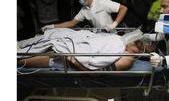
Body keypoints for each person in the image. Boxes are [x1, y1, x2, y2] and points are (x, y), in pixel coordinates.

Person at [17, 28, 155, 71]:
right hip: (76, 43)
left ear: (139, 52)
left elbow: (94, 73)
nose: (133, 40)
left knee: (21, 59)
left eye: (137, 43)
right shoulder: (119, 41)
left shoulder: (127, 59)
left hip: (64, 59)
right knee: (56, 36)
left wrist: (74, 58)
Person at [41, 0, 128, 32]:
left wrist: (113, 25)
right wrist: (52, 26)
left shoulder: (102, 2)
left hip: (111, 35)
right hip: (99, 37)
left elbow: (123, 8)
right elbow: (71, 23)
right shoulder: (84, 9)